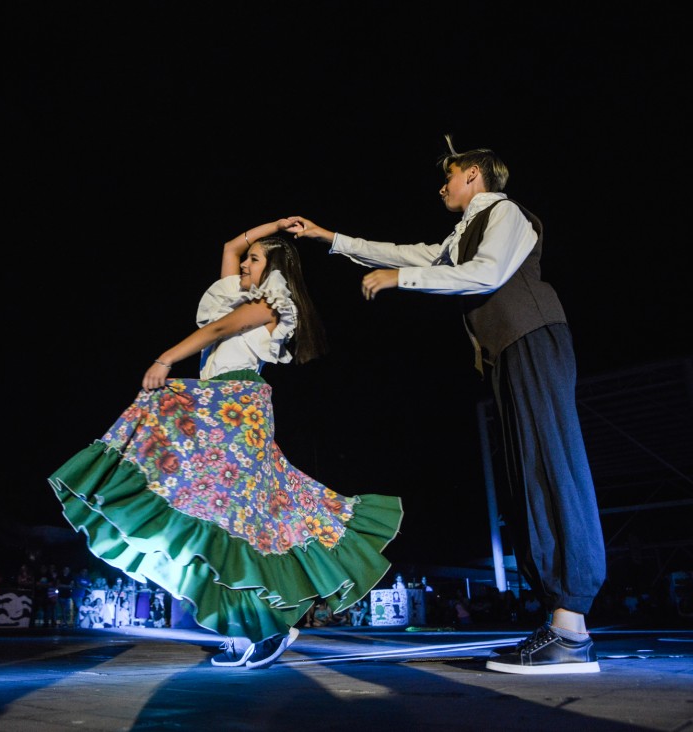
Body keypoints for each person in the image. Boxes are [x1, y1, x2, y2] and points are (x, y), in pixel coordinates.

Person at [293, 136, 606, 674]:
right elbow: (404, 252)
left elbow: (486, 273)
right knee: (527, 475)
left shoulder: (504, 212)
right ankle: (560, 620)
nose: (443, 184)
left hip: (533, 338)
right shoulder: (463, 232)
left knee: (551, 468)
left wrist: (401, 281)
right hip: (509, 349)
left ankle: (572, 628)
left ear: (476, 177)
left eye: (451, 174)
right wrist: (329, 237)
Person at [48, 218, 404, 670]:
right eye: (248, 259)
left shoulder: (271, 305)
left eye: (256, 260)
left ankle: (270, 628)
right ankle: (254, 622)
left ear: (273, 268)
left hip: (235, 409)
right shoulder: (234, 294)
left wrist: (166, 358)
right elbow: (230, 244)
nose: (244, 265)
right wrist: (274, 225)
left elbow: (218, 332)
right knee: (226, 516)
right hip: (218, 409)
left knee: (240, 518)